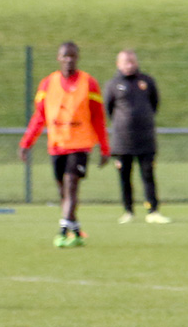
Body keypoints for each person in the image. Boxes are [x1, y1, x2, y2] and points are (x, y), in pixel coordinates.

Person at [19, 41, 109, 247]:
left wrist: (105, 147)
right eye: (65, 56)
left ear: (77, 58)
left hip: (80, 145)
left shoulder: (89, 83)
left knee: (71, 186)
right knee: (63, 192)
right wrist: (26, 143)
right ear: (59, 58)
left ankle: (62, 231)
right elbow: (39, 117)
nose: (69, 60)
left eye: (73, 56)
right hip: (57, 145)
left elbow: (98, 118)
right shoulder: (48, 84)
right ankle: (76, 231)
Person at [105, 49, 170, 224]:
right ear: (118, 64)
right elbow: (109, 109)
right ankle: (128, 211)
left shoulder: (146, 81)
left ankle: (153, 210)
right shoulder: (113, 84)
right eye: (126, 61)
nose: (130, 64)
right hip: (122, 141)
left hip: (145, 139)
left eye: (133, 61)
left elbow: (154, 103)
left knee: (148, 175)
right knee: (125, 177)